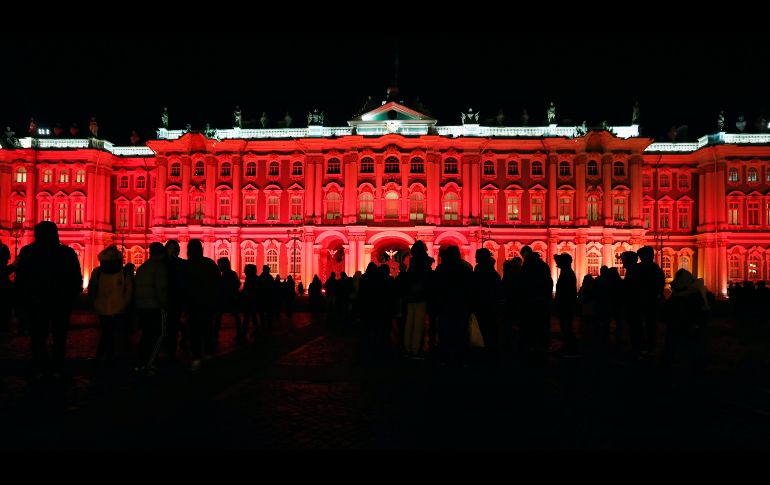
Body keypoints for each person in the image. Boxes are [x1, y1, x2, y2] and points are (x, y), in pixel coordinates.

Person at [15, 222, 82, 378]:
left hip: (36, 301)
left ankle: (40, 366)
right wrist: (70, 297)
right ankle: (57, 367)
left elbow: (21, 279)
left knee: (38, 336)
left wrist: (24, 300)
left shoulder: (28, 252)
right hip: (60, 301)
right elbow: (75, 278)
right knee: (59, 336)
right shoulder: (66, 252)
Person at [88, 245, 133, 365]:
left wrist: (94, 303)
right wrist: (125, 304)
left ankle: (104, 355)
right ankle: (111, 355)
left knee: (107, 332)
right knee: (112, 332)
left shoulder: (98, 272)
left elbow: (92, 289)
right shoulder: (123, 272)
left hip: (104, 307)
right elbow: (129, 290)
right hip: (117, 307)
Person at [133, 242, 168, 375]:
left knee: (146, 335)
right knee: (159, 334)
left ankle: (140, 362)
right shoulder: (160, 267)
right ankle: (150, 363)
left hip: (142, 306)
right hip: (155, 306)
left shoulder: (142, 267)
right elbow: (161, 289)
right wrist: (164, 305)